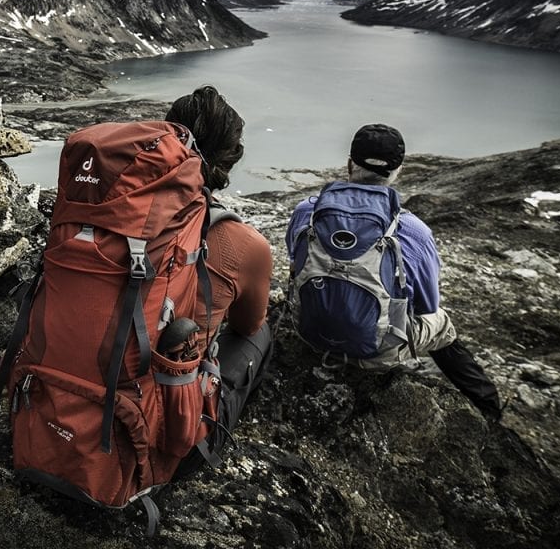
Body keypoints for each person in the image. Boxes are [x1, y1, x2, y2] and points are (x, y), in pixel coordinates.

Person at [285, 123, 502, 420]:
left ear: (350, 164)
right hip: (377, 352)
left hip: (309, 333)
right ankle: (488, 406)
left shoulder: (306, 212)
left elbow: (295, 268)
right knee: (441, 323)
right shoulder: (414, 231)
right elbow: (426, 305)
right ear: (398, 171)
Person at [164, 86, 274, 468]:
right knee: (261, 332)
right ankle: (218, 437)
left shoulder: (107, 213)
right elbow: (247, 324)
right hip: (160, 433)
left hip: (61, 401)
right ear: (230, 158)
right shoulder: (244, 244)